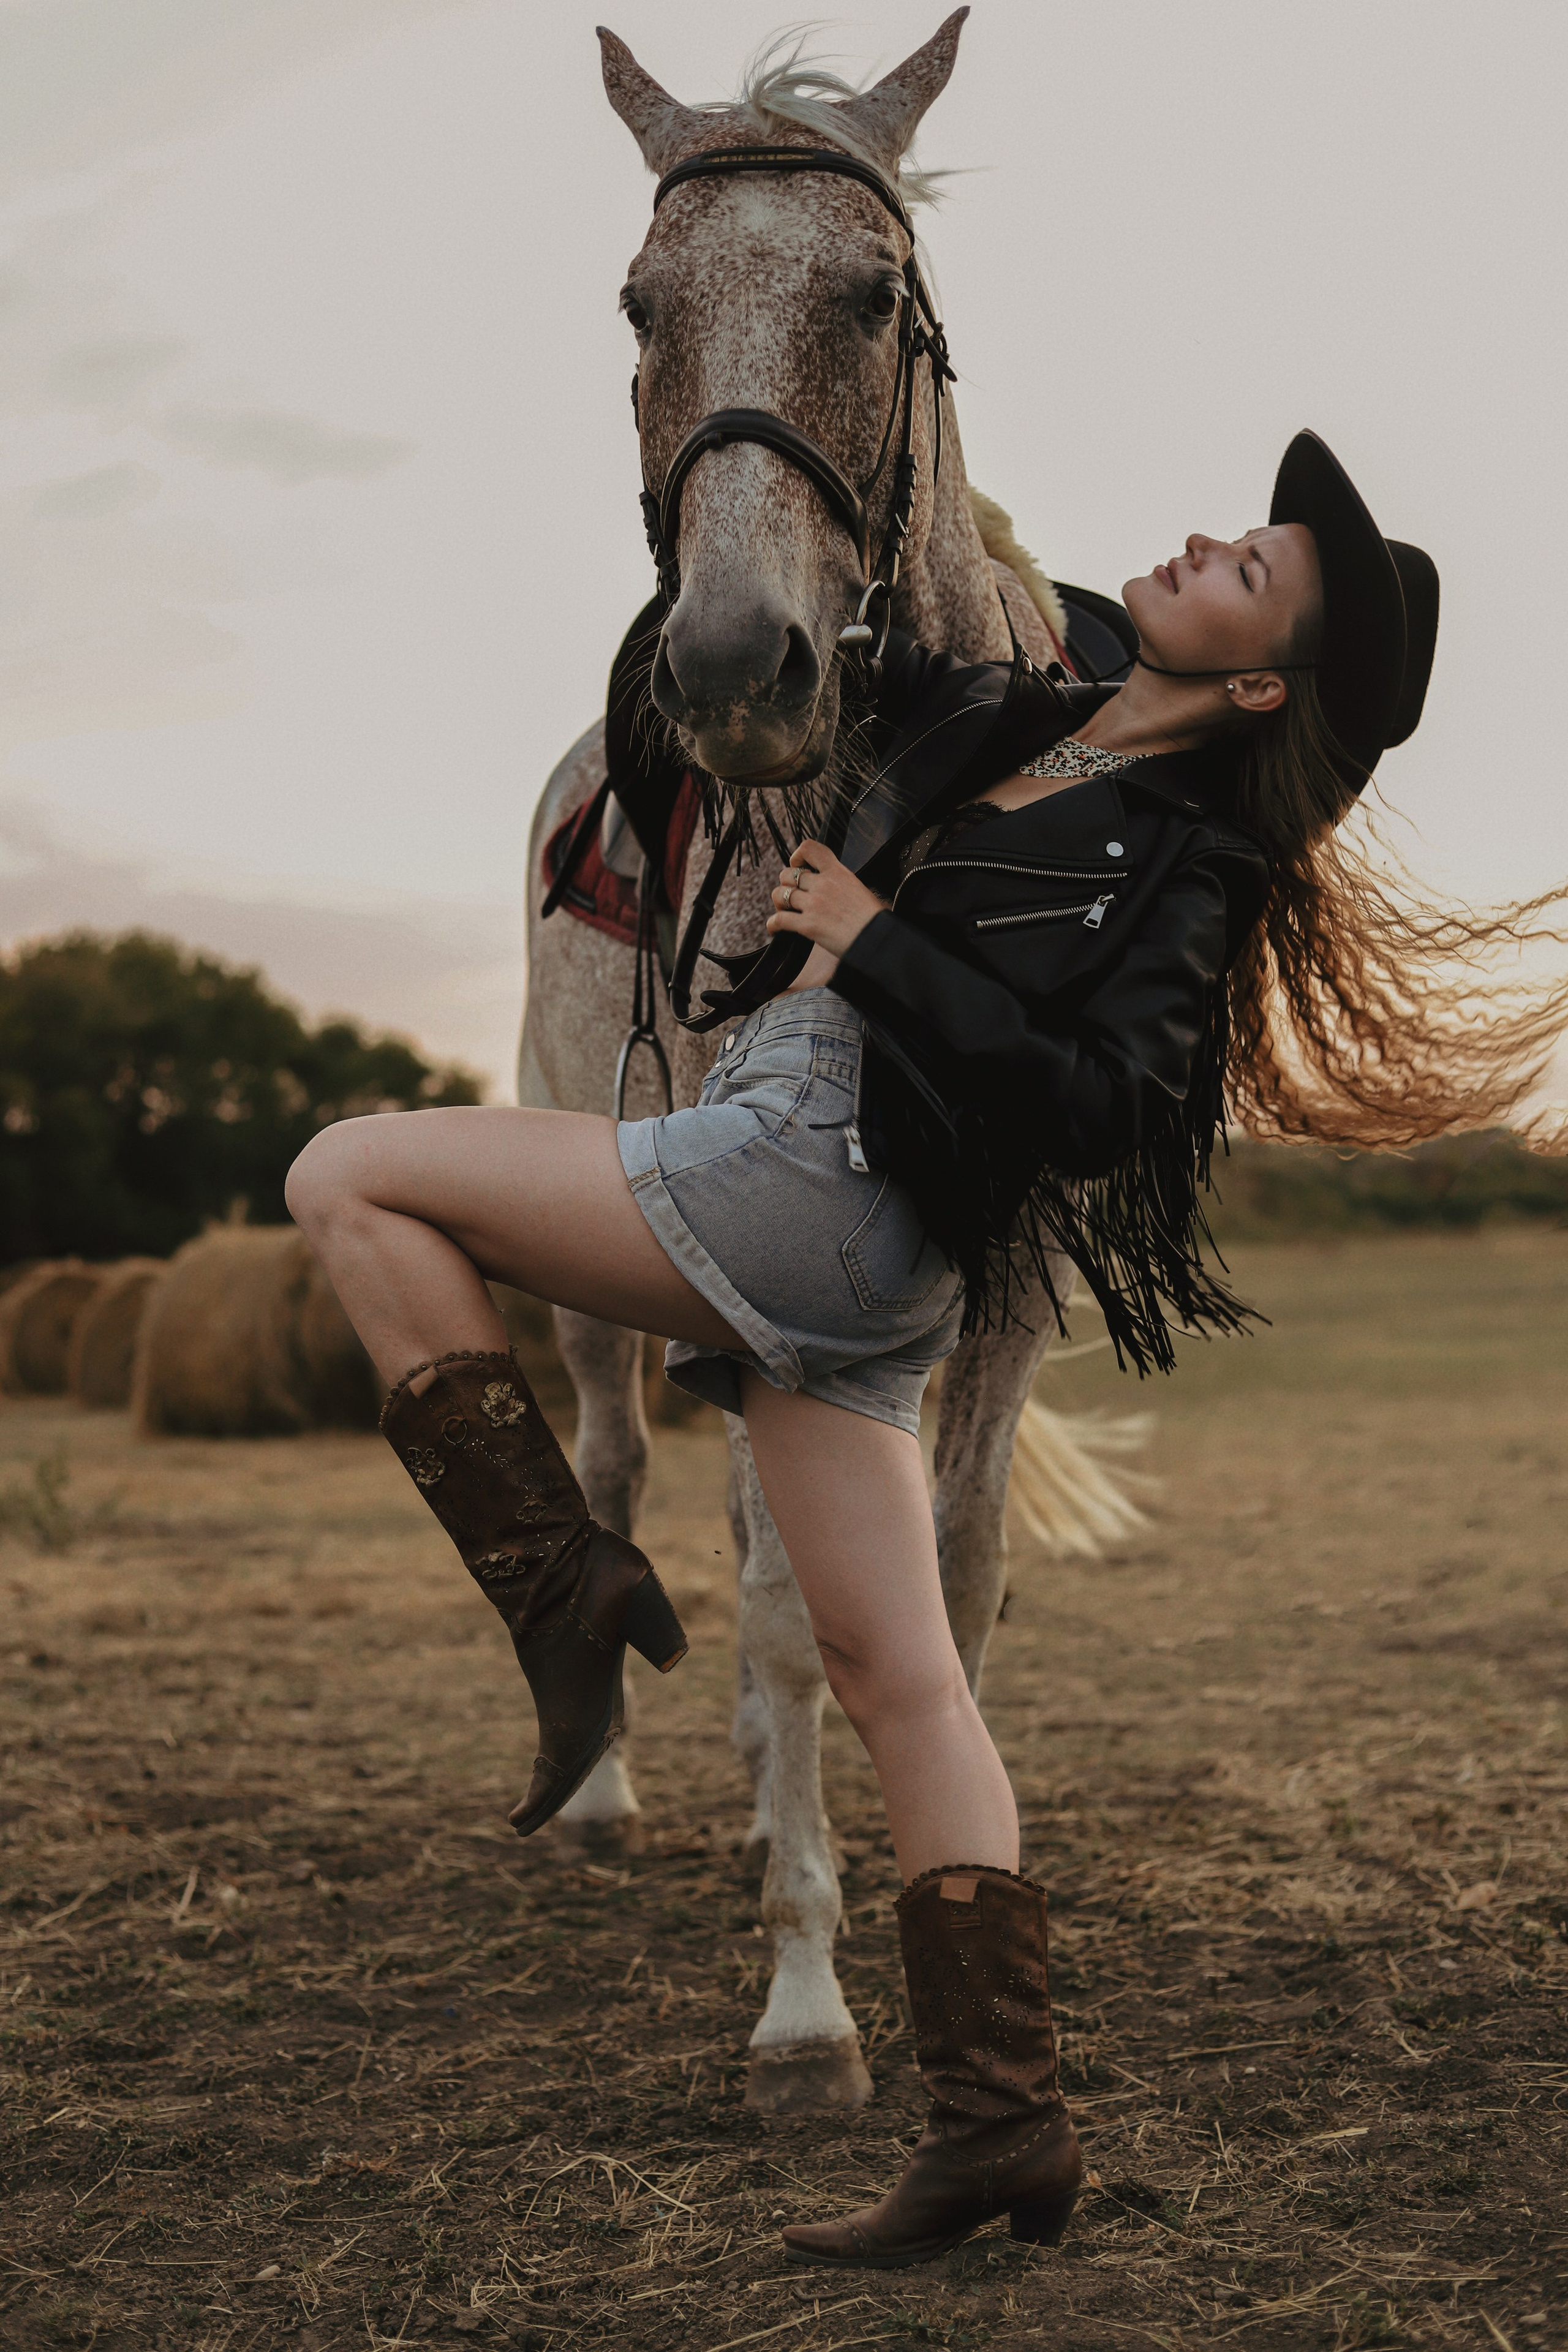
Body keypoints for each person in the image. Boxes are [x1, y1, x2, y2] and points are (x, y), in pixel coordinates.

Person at [285, 431, 1562, 2269]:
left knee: (352, 1177)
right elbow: (864, 601)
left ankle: (558, 1584)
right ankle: (1001, 2130)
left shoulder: (1182, 862)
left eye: (1251, 566)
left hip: (797, 1171)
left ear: (1263, 677)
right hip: (869, 1275)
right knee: (911, 1687)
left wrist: (878, 941)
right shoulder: (1043, 709)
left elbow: (1111, 1109)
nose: (1205, 539)